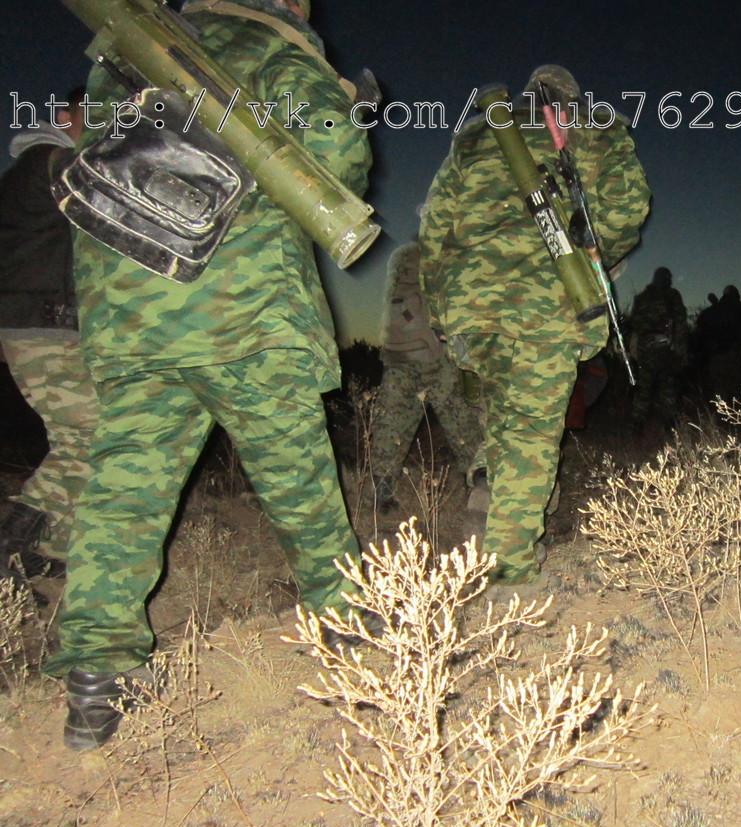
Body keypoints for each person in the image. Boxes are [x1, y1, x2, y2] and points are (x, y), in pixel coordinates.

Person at [43, 0, 373, 751]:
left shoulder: (142, 45)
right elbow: (337, 152)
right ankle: (352, 634)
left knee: (125, 487)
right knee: (298, 482)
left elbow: (98, 151)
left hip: (131, 303)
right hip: (238, 306)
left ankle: (96, 681)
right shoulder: (275, 47)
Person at [419, 65, 650, 585]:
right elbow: (627, 208)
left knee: (504, 419)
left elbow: (434, 228)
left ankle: (492, 507)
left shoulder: (477, 133)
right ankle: (510, 572)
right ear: (573, 96)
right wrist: (588, 258)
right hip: (544, 305)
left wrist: (440, 310)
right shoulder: (593, 126)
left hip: (472, 304)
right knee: (529, 433)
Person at [0, 87, 93, 577]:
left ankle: (47, 554)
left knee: (76, 439)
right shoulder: (49, 164)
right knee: (92, 436)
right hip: (42, 326)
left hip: (46, 325)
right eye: (92, 114)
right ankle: (9, 550)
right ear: (63, 117)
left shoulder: (38, 171)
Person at [368, 241, 486, 516]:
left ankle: (381, 493)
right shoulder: (442, 251)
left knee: (391, 425)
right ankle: (479, 488)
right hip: (435, 354)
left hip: (399, 352)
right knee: (463, 425)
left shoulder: (400, 256)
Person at [626, 266, 688, 434]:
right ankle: (670, 427)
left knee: (644, 387)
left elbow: (634, 323)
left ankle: (637, 425)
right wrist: (680, 349)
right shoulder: (671, 295)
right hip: (664, 348)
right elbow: (680, 322)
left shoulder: (641, 297)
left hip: (645, 347)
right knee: (667, 387)